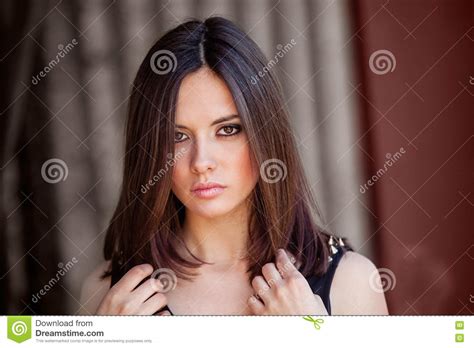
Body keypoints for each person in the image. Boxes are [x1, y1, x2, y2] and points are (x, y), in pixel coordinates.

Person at [79, 16, 389, 316]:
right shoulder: (108, 295)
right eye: (177, 136)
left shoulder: (351, 283)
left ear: (266, 132)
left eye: (227, 130)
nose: (201, 162)